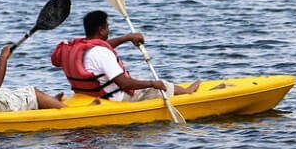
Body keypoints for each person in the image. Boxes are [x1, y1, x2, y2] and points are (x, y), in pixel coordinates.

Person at [51, 10, 200, 102]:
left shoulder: (78, 49)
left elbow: (102, 49)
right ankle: (187, 93)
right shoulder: (102, 53)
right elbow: (125, 84)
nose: (109, 29)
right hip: (117, 99)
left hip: (89, 96)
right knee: (162, 85)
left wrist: (127, 38)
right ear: (101, 30)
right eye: (108, 27)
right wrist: (152, 84)